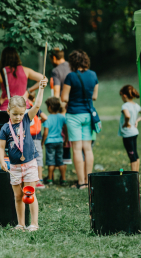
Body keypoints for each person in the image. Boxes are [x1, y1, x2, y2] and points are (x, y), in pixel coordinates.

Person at [0, 78, 47, 232]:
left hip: (30, 164)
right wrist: (2, 161)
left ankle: (34, 224)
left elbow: (37, 105)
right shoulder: (5, 128)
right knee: (18, 197)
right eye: (15, 114)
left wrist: (41, 89)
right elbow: (0, 147)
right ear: (8, 112)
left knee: (30, 194)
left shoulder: (26, 119)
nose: (18, 117)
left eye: (20, 113)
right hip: (15, 167)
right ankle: (20, 224)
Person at [61, 50, 99, 189]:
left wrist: (71, 98)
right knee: (87, 149)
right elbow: (94, 96)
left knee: (77, 149)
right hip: (88, 115)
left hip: (74, 115)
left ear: (72, 62)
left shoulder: (71, 76)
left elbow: (64, 98)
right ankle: (89, 181)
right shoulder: (93, 74)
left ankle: (81, 182)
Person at [41, 97, 68, 185]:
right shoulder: (62, 117)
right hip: (59, 141)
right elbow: (65, 130)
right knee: (60, 160)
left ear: (49, 107)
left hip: (49, 142)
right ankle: (63, 179)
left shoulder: (47, 118)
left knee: (50, 161)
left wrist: (42, 142)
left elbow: (45, 133)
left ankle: (50, 179)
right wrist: (66, 140)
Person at [118, 85, 141, 172]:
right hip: (134, 132)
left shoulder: (125, 106)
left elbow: (127, 115)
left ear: (124, 95)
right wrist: (137, 121)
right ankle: (136, 174)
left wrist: (126, 123)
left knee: (132, 156)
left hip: (127, 133)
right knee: (135, 154)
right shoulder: (136, 105)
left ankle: (133, 176)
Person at [27, 92, 47, 189]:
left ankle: (29, 179)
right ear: (34, 99)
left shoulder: (22, 106)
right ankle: (39, 179)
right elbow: (45, 117)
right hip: (35, 135)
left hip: (24, 135)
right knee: (38, 157)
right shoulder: (33, 107)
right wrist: (39, 121)